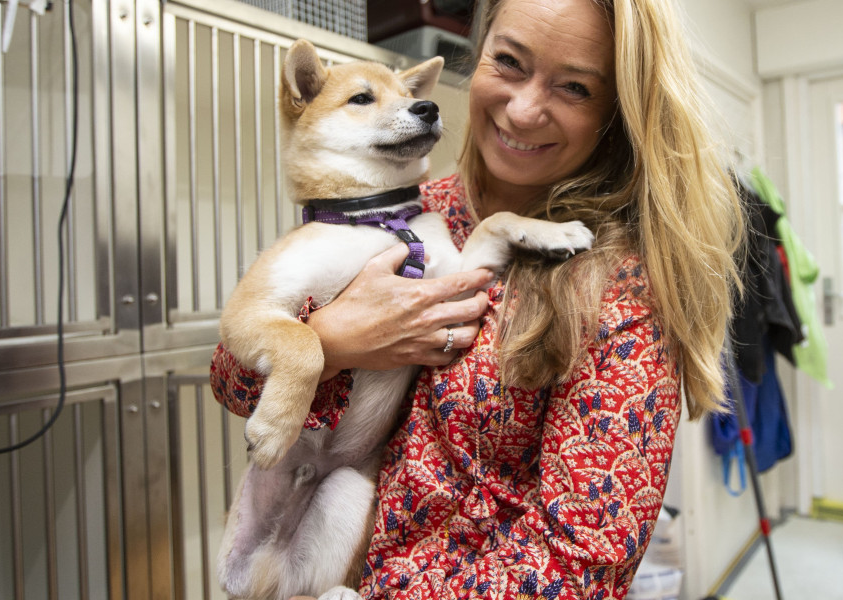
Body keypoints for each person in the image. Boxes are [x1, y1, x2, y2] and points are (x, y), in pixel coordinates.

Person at [214, 0, 743, 597]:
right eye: (510, 62)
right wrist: (332, 342)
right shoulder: (410, 206)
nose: (523, 109)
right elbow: (233, 382)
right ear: (480, 53)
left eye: (574, 87)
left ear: (617, 113)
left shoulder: (618, 289)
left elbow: (581, 566)